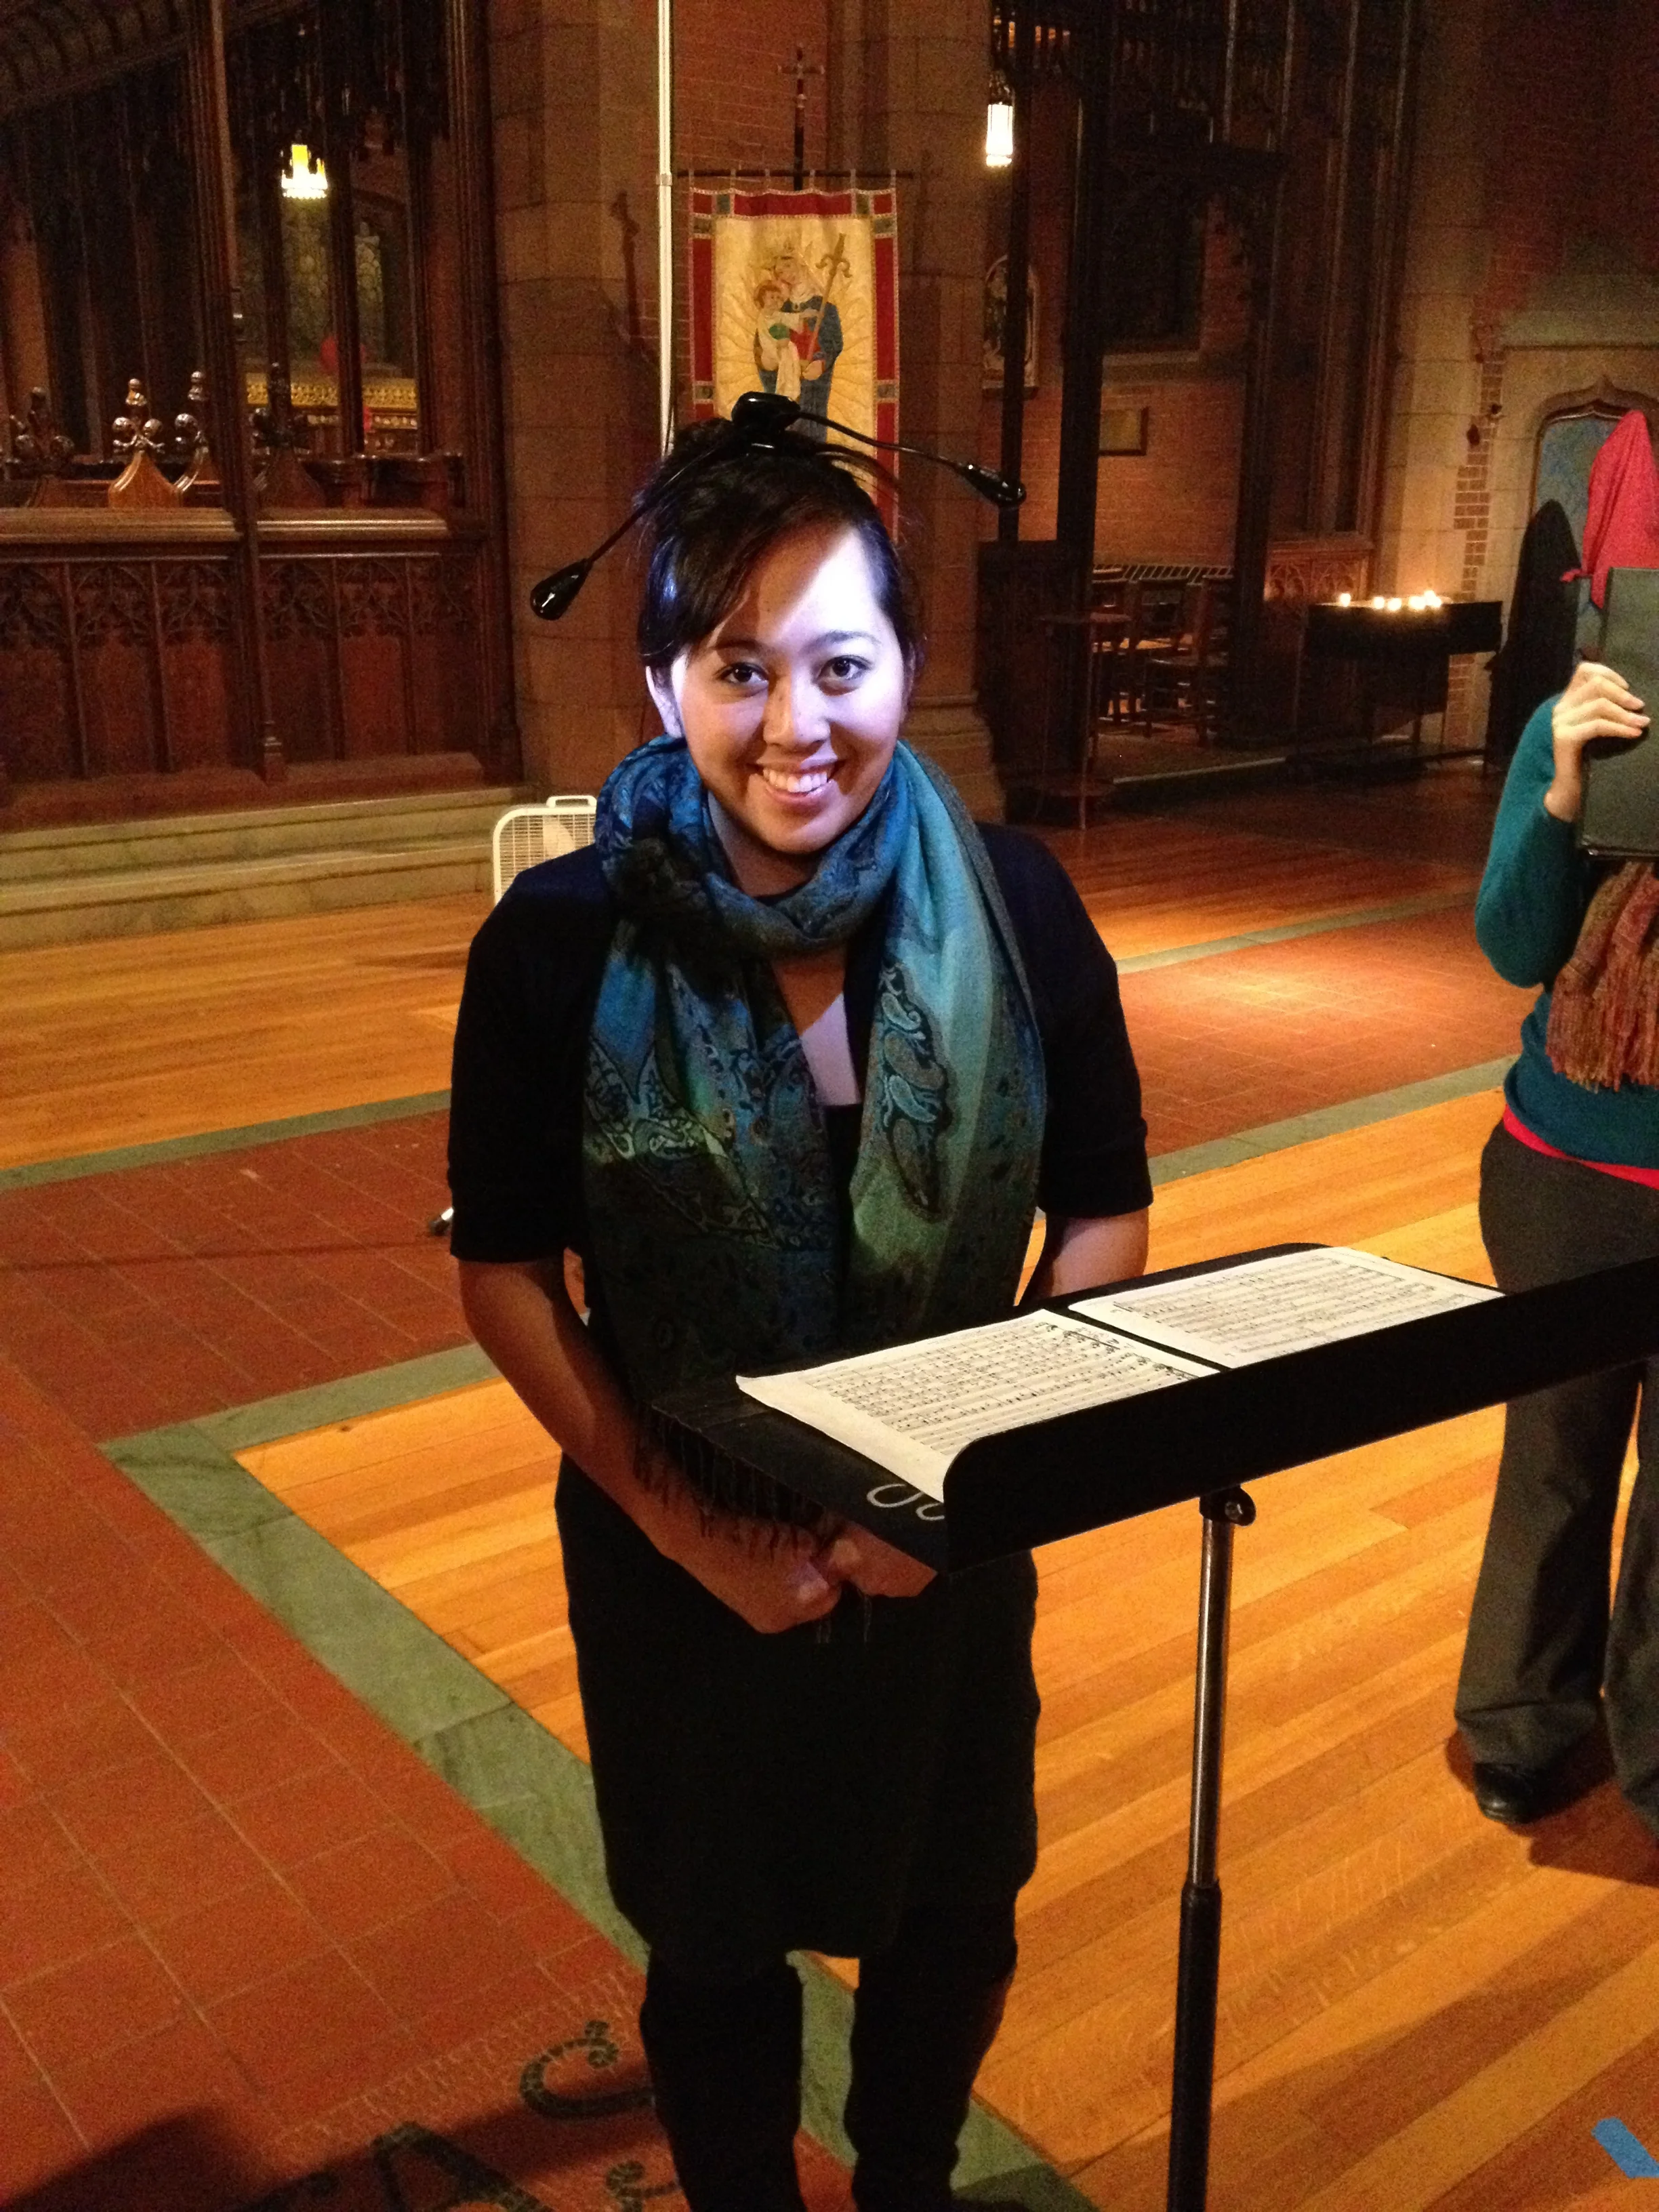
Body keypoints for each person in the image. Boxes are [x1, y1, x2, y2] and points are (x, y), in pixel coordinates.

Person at [447, 420, 1151, 2212]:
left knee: (955, 1901)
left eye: (844, 664)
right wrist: (694, 1534)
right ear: (662, 678)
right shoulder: (557, 939)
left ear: (910, 664)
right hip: (673, 1550)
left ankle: (904, 2180)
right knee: (712, 1942)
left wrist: (942, 1504)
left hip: (955, 1535)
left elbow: (1102, 1217)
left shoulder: (1020, 906)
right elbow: (507, 1272)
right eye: (738, 669)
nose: (795, 725)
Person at [1455, 656, 1659, 1832]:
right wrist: (1566, 786)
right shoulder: (1586, 717)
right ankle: (1525, 1724)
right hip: (1568, 1174)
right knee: (1555, 1458)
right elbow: (1514, 943)